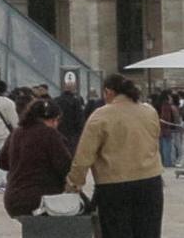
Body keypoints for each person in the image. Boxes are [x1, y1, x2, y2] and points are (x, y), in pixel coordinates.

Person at [66, 74, 163, 238]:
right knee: (148, 232)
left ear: (108, 92)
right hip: (150, 181)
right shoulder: (149, 111)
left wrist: (75, 183)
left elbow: (84, 155)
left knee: (116, 232)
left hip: (114, 185)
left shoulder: (101, 115)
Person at [0, 100, 70, 217]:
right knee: (82, 211)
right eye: (55, 120)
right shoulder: (50, 134)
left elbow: (2, 162)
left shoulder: (16, 133)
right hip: (42, 200)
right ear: (51, 119)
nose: (56, 124)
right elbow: (65, 167)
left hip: (13, 199)